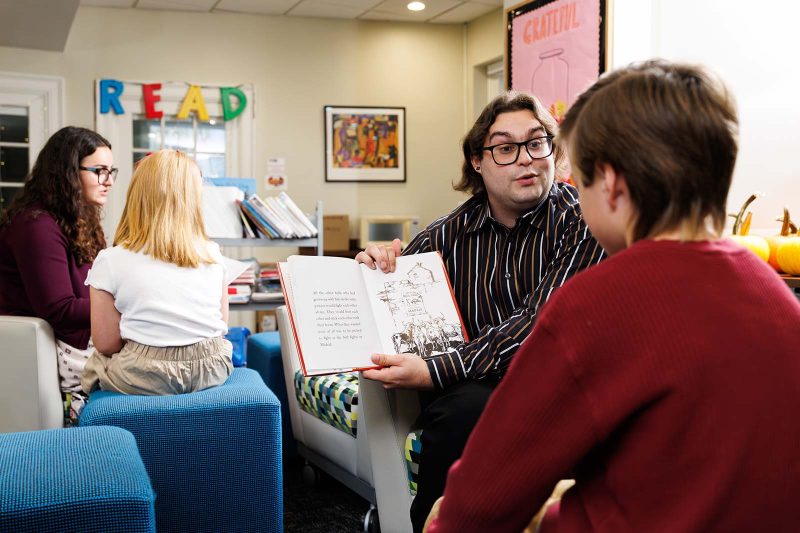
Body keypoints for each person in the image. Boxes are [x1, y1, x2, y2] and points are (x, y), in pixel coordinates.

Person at [426, 60, 800, 532]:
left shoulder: (593, 307)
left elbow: (478, 507)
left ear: (612, 186)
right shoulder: (778, 297)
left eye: (579, 183)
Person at [356, 92, 605, 531]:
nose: (526, 159)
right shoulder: (447, 235)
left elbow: (540, 323)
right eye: (506, 148)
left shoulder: (583, 222)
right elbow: (389, 301)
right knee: (467, 408)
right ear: (477, 161)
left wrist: (436, 370)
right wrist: (377, 267)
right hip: (472, 388)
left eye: (537, 142)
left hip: (557, 381)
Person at [81, 149, 233, 396]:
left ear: (136, 197)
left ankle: (78, 418)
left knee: (95, 363)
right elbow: (220, 325)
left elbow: (107, 343)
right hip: (212, 367)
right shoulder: (213, 254)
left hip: (145, 372)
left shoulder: (110, 260)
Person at [0, 126, 115, 423]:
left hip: (79, 337)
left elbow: (95, 287)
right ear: (68, 172)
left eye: (111, 171)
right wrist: (124, 304)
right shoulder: (36, 226)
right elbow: (60, 308)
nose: (109, 181)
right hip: (55, 342)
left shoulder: (76, 218)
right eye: (99, 171)